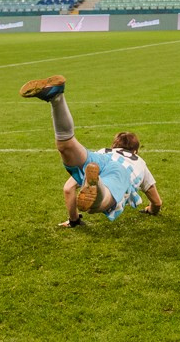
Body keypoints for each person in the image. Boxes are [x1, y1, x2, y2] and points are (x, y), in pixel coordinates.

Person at [19, 75, 162, 228]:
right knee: (100, 202)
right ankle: (97, 183)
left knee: (66, 146)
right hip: (121, 172)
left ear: (114, 146)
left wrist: (74, 220)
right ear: (136, 151)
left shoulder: (106, 151)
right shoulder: (139, 162)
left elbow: (68, 189)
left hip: (100, 160)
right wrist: (151, 210)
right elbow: (157, 203)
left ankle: (56, 97)